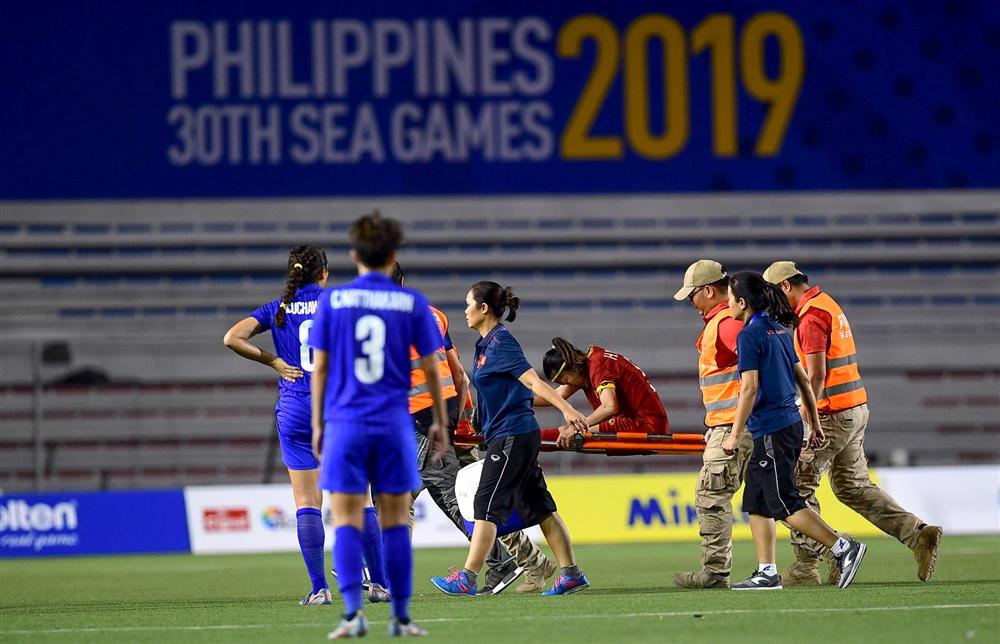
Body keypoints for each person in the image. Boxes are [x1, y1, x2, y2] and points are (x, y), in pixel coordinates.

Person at [310, 214, 449, 638]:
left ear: (354, 255)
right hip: (393, 424)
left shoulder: (333, 302)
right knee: (395, 520)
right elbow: (431, 366)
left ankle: (353, 615)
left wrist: (317, 424)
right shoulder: (413, 304)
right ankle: (401, 617)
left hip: (346, 424)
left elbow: (321, 368)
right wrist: (441, 422)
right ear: (393, 256)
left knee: (346, 520)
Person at [764, 261, 942, 585]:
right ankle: (917, 534)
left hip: (831, 414)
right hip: (854, 409)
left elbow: (816, 375)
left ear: (786, 286)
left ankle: (813, 563)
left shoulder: (810, 318)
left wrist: (807, 419)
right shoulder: (827, 304)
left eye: (774, 295)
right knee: (853, 487)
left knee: (794, 487)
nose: (774, 304)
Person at [391, 264, 554, 595]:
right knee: (474, 496)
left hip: (421, 419)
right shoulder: (432, 315)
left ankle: (495, 562)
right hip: (448, 413)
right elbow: (459, 374)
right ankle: (531, 561)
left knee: (453, 496)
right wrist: (463, 416)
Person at [430, 282, 592, 597]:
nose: (465, 310)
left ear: (484, 308)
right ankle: (571, 574)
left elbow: (532, 381)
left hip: (511, 435)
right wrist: (479, 419)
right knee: (541, 507)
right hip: (510, 433)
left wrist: (566, 409)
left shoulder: (501, 343)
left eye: (469, 304)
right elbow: (496, 388)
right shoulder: (485, 345)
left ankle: (467, 578)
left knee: (485, 505)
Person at [721, 272, 867, 590]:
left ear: (742, 303)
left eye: (730, 298)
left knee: (784, 502)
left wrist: (733, 434)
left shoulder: (750, 335)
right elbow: (803, 380)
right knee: (756, 501)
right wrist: (813, 423)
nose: (727, 303)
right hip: (787, 424)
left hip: (772, 428)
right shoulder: (779, 330)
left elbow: (750, 388)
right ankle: (767, 572)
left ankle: (843, 547)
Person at [222, 245, 336, 606]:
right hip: (335, 407)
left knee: (307, 502)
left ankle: (320, 589)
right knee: (358, 497)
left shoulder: (278, 308)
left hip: (295, 408)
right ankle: (376, 581)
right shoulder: (338, 304)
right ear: (324, 273)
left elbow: (231, 338)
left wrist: (273, 361)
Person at [670, 260, 754, 590]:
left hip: (734, 426)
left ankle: (715, 572)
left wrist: (734, 429)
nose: (691, 303)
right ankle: (832, 552)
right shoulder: (729, 322)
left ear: (708, 291)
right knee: (778, 500)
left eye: (692, 296)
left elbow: (754, 369)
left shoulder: (726, 324)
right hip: (741, 423)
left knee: (711, 494)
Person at [538, 338, 669, 447]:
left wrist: (576, 427)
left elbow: (609, 407)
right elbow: (554, 396)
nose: (567, 385)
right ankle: (529, 440)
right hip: (642, 421)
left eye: (565, 380)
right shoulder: (586, 366)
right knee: (568, 431)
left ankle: (528, 441)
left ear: (573, 368)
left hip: (645, 424)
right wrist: (525, 398)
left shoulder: (598, 366)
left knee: (572, 432)